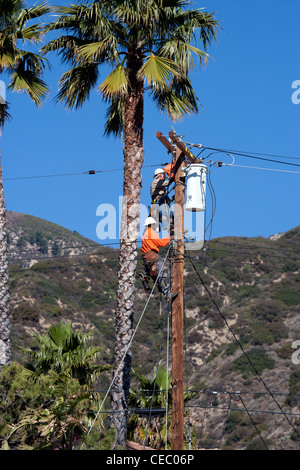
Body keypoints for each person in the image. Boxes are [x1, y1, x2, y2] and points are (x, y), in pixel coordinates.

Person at [140, 216, 177, 302]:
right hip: (153, 258)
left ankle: (161, 289)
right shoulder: (150, 232)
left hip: (147, 260)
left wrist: (169, 236)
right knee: (161, 276)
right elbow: (160, 243)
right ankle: (167, 293)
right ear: (152, 225)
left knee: (156, 276)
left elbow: (159, 242)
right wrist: (171, 237)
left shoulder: (145, 233)